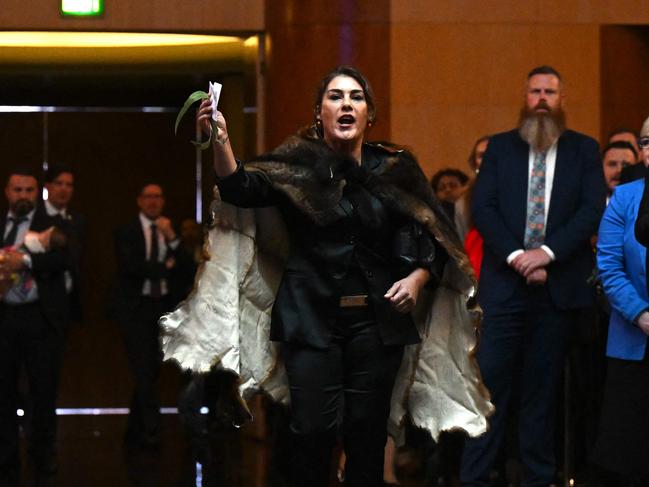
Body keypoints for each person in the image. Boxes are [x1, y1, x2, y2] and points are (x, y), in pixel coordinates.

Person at [162, 66, 493, 487]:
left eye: (356, 97)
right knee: (312, 430)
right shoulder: (299, 166)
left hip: (378, 325)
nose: (346, 104)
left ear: (368, 114)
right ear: (319, 113)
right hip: (311, 321)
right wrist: (221, 141)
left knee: (367, 437)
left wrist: (418, 279)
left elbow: (432, 235)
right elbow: (239, 187)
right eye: (335, 97)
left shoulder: (395, 168)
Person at [460, 65, 606, 486]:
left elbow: (591, 209)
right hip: (504, 291)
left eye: (550, 92)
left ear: (562, 99)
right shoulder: (502, 148)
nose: (542, 99)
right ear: (525, 98)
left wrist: (545, 253)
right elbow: (482, 209)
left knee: (542, 396)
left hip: (557, 292)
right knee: (489, 391)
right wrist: (516, 256)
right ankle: (475, 477)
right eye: (535, 91)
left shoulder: (583, 149)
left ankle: (538, 479)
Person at [0, 168, 70, 484]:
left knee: (43, 393)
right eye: (18, 190)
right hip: (4, 319)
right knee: (3, 393)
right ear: (7, 193)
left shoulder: (52, 225)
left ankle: (42, 455)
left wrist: (25, 261)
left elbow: (65, 259)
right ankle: (5, 458)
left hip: (40, 319)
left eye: (30, 190)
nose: (24, 196)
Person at [591, 115, 649, 486]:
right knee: (631, 455)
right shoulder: (625, 197)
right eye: (646, 142)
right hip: (633, 341)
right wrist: (641, 315)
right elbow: (608, 265)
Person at [109, 183, 184, 447]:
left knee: (150, 371)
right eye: (148, 197)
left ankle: (134, 431)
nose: (153, 202)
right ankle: (154, 432)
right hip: (136, 309)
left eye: (158, 197)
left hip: (162, 307)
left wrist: (172, 238)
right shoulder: (127, 232)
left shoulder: (170, 230)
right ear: (139, 201)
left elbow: (185, 264)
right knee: (142, 367)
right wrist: (165, 266)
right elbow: (132, 267)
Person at [43, 164, 85, 323]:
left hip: (67, 301)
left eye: (68, 185)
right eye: (58, 183)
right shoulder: (36, 215)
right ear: (47, 186)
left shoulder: (77, 220)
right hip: (39, 301)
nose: (64, 189)